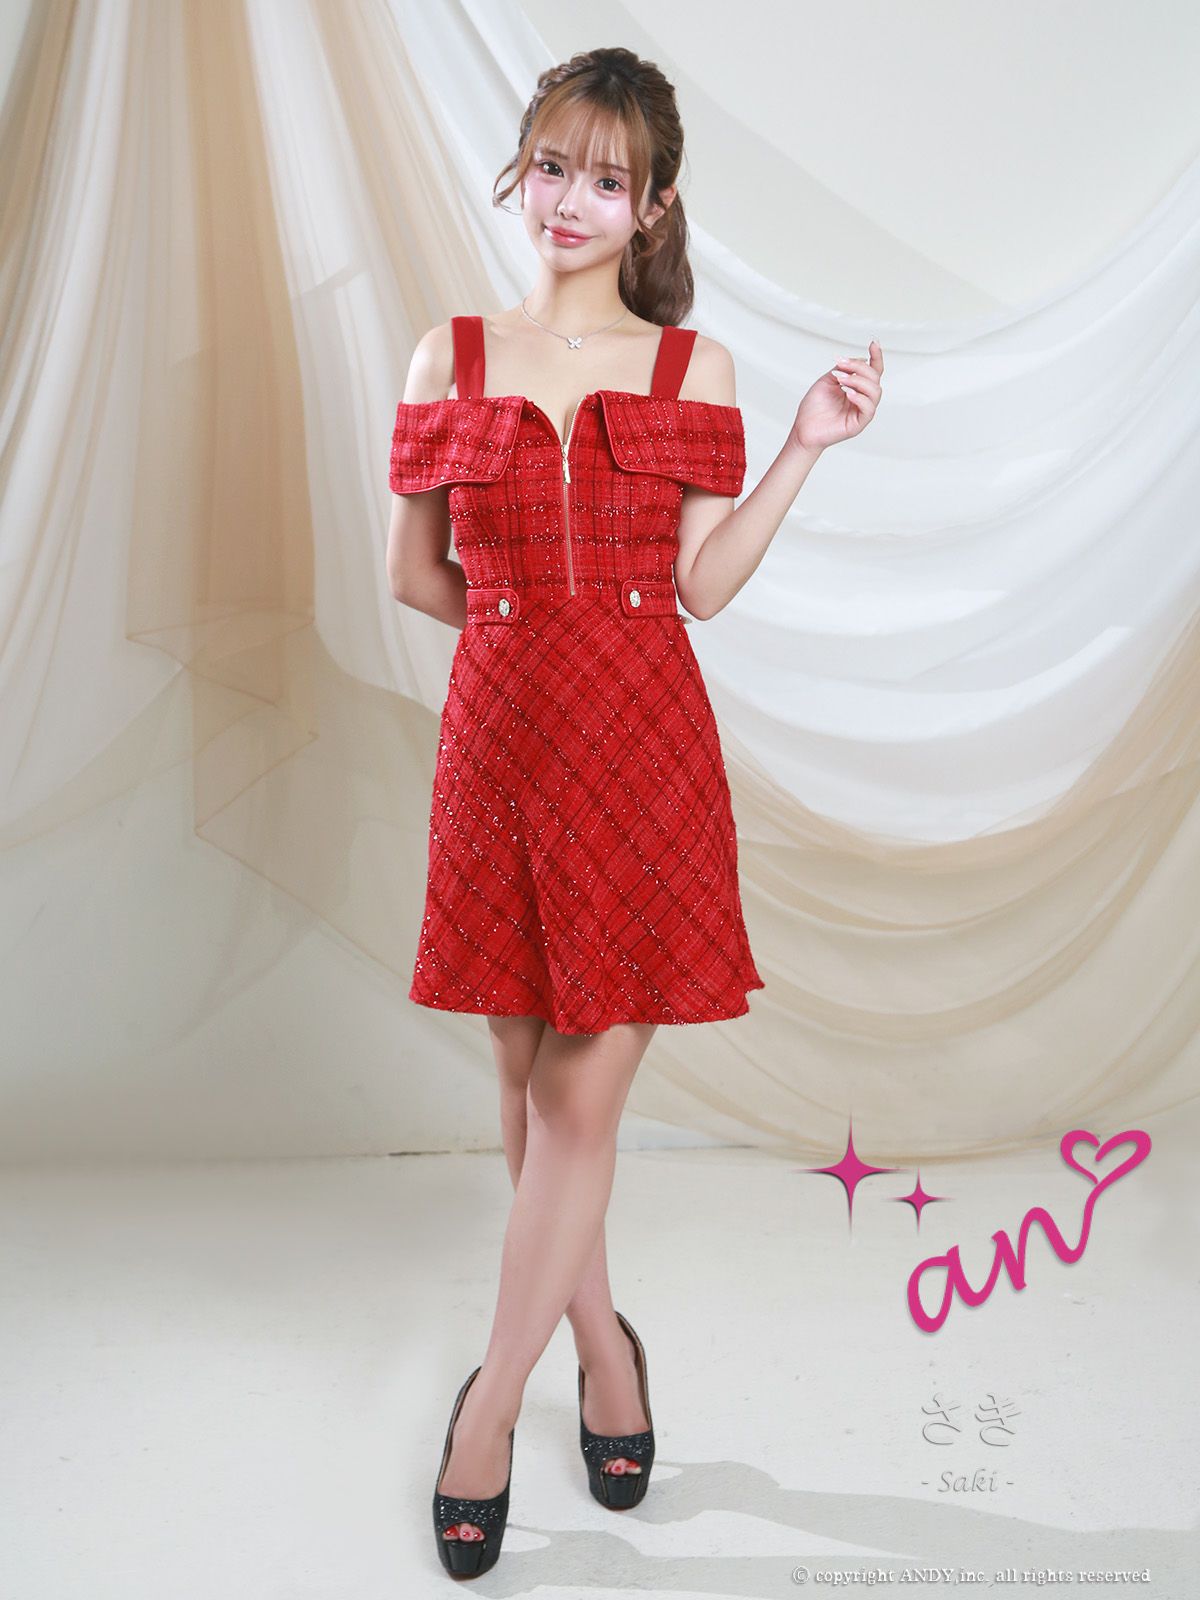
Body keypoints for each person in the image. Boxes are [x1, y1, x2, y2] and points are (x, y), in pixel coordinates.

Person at [386, 45, 882, 1580]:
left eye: (608, 180)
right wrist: (527, 633)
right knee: (529, 1094)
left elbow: (701, 587)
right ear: (520, 170)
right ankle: (609, 1353)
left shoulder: (691, 371)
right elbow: (416, 576)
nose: (572, 200)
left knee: (572, 1109)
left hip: (643, 761)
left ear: (652, 205)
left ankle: (488, 1415)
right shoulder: (448, 354)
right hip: (498, 757)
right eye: (553, 166)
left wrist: (802, 447)